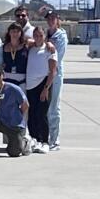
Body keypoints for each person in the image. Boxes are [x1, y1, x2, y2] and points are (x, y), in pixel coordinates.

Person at [26, 26, 57, 154]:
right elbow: (25, 41)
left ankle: (45, 141)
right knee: (32, 115)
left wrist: (46, 88)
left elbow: (53, 71)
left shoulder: (50, 50)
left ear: (44, 36)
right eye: (36, 35)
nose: (38, 38)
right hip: (30, 86)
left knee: (41, 114)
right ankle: (35, 139)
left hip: (43, 84)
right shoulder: (31, 48)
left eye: (40, 35)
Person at [45, 10, 67, 151]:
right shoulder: (45, 34)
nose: (51, 20)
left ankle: (54, 139)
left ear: (58, 19)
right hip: (44, 75)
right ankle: (46, 137)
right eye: (49, 18)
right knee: (44, 109)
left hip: (55, 74)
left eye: (53, 18)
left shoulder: (61, 36)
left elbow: (56, 56)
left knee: (54, 108)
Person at [2, 23, 28, 90]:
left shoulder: (26, 45)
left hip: (21, 80)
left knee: (22, 99)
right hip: (7, 79)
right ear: (9, 32)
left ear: (21, 33)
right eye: (13, 31)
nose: (15, 34)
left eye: (17, 31)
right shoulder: (3, 46)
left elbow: (39, 42)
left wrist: (49, 43)